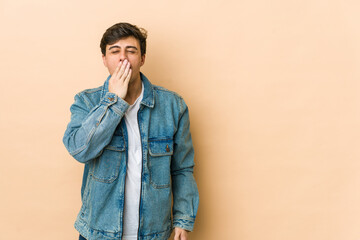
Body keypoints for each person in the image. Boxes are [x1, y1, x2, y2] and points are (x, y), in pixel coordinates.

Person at [63, 22, 199, 240]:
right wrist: (113, 101)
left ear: (142, 59)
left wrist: (183, 219)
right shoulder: (86, 101)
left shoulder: (173, 106)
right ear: (104, 59)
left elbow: (182, 168)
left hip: (154, 233)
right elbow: (80, 150)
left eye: (131, 51)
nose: (123, 58)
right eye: (114, 51)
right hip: (99, 233)